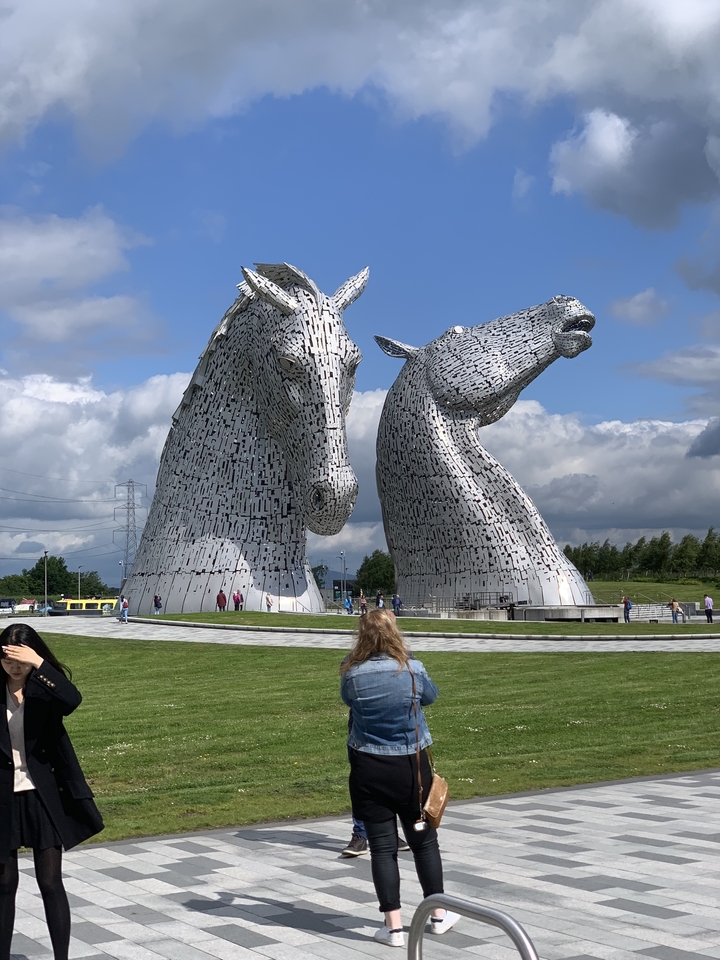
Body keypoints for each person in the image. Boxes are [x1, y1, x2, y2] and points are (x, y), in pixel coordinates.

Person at [340, 610, 460, 946]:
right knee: (423, 843)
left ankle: (392, 926)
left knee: (382, 848)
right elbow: (432, 696)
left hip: (368, 766)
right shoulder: (412, 669)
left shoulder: (352, 673)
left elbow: (347, 701)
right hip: (410, 766)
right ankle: (437, 914)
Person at [0, 623, 104, 960]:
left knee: (50, 881)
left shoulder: (44, 689)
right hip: (3, 797)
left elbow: (73, 698)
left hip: (41, 795)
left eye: (21, 661)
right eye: (8, 661)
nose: (15, 668)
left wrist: (39, 664)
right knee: (4, 884)